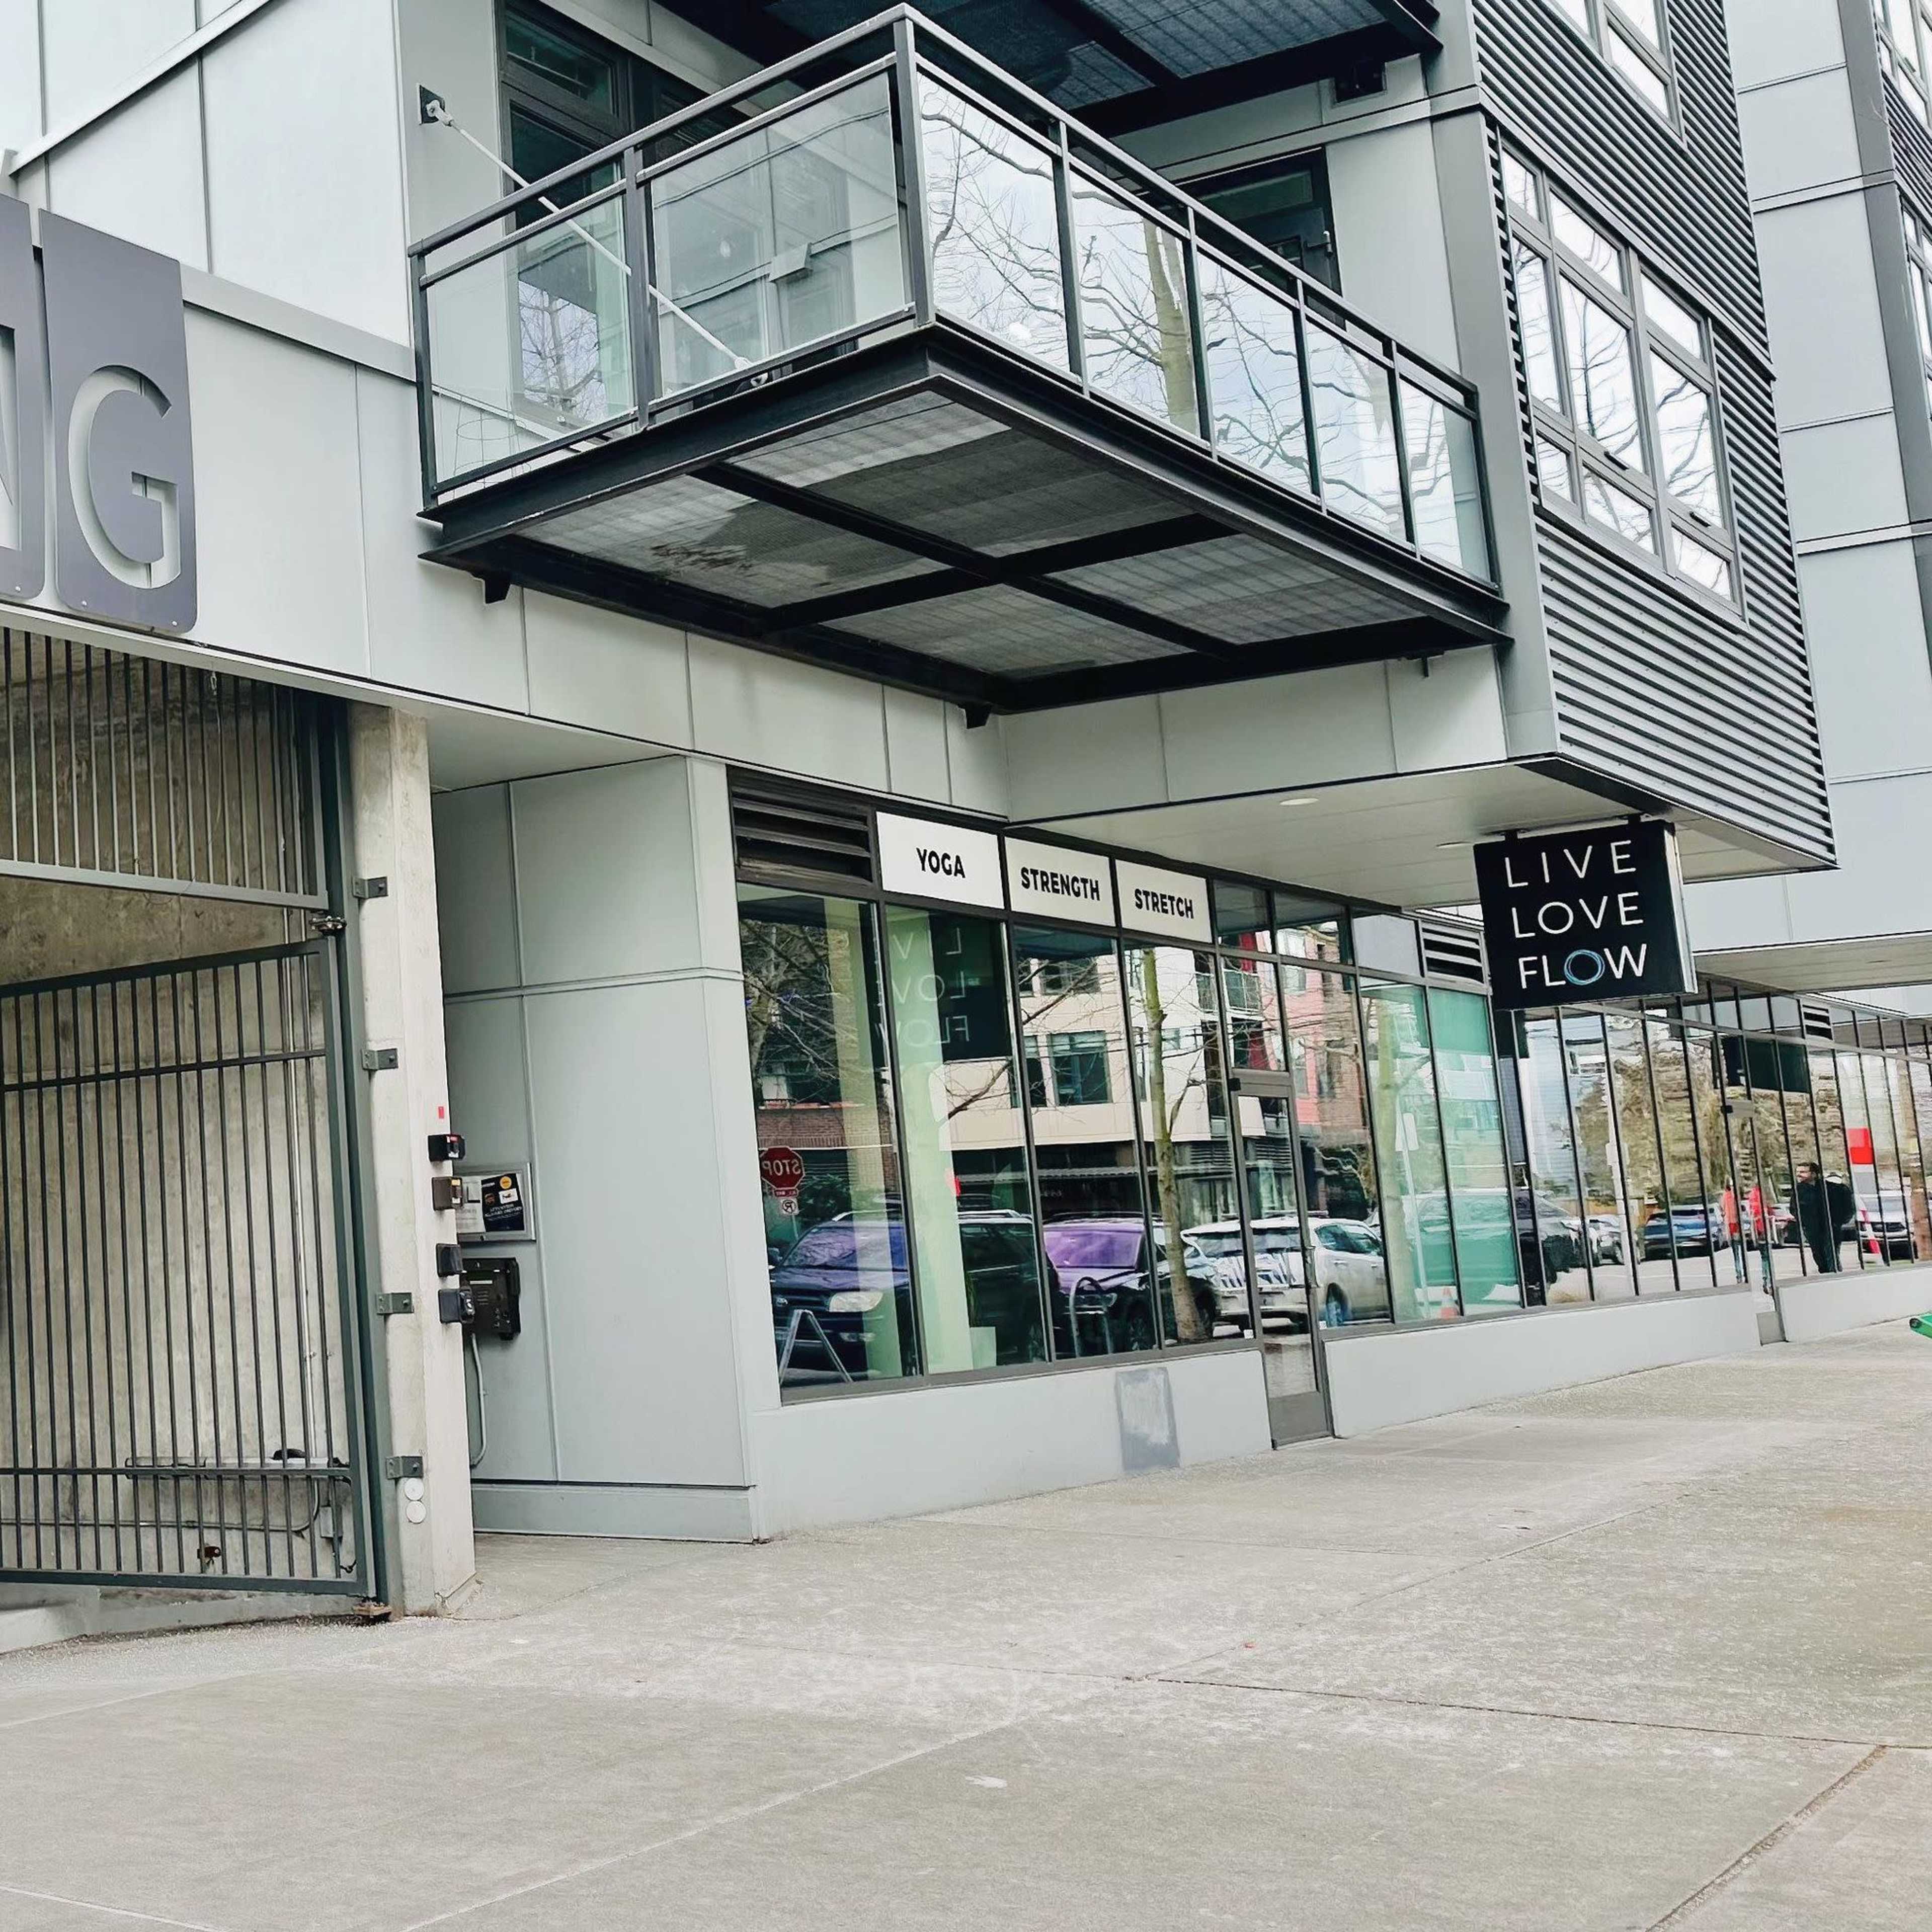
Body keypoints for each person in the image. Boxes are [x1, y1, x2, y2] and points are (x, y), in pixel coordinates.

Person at [1794, 1162, 1849, 1275]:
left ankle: (1835, 1276)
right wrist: (1805, 1223)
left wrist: (1839, 1221)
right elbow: (1794, 1209)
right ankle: (1826, 1275)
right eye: (1798, 1172)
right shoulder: (1799, 1191)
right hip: (1813, 1230)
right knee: (1819, 1257)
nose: (1799, 1175)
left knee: (1831, 1256)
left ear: (1814, 1174)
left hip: (1831, 1228)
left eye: (1803, 1172)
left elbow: (1846, 1203)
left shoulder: (1831, 1189)